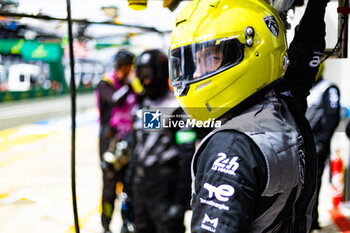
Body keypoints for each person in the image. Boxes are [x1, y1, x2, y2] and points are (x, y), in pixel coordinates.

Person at [168, 0, 329, 232]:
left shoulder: (231, 146)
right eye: (195, 61)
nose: (195, 73)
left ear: (252, 52)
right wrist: (317, 7)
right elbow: (304, 61)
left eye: (211, 58)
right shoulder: (285, 108)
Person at [124, 49, 197, 233]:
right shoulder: (144, 105)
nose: (145, 79)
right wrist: (128, 190)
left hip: (165, 186)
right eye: (141, 74)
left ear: (162, 72)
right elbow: (140, 149)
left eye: (149, 73)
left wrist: (181, 202)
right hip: (142, 186)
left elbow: (187, 156)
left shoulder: (175, 108)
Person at [95, 49, 138, 233]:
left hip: (129, 139)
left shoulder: (130, 84)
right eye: (129, 67)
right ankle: (106, 226)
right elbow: (115, 100)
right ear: (123, 66)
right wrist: (130, 84)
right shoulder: (106, 83)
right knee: (110, 187)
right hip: (109, 140)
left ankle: (126, 224)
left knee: (129, 185)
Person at [305, 62, 340, 230]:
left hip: (316, 147)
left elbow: (332, 119)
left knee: (314, 185)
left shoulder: (328, 89)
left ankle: (312, 221)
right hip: (301, 145)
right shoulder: (304, 87)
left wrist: (321, 143)